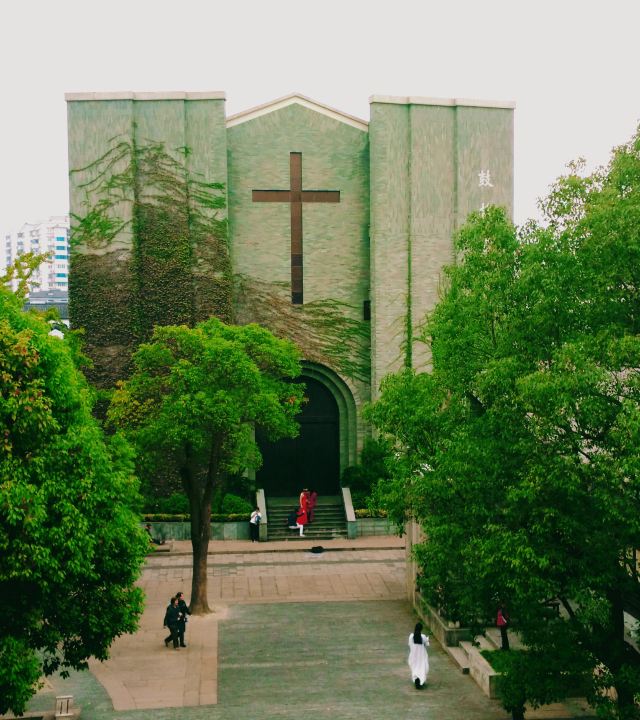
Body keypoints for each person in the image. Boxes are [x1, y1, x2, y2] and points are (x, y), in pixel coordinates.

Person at [408, 622, 429, 689]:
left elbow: (409, 644)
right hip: (421, 655)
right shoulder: (423, 637)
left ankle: (416, 679)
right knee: (421, 667)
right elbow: (426, 644)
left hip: (414, 655)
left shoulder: (411, 636)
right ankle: (420, 680)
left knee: (415, 667)